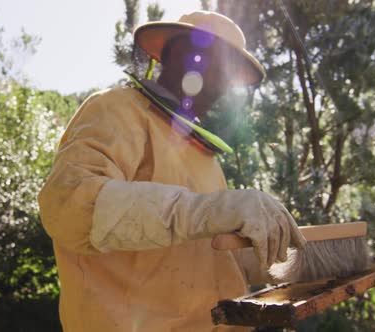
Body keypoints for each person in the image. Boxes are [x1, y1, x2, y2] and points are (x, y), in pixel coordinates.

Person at [38, 10, 306, 332]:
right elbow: (69, 207)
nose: (224, 83)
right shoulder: (115, 108)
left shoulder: (204, 153)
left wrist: (270, 255)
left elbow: (206, 255)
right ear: (180, 53)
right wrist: (204, 211)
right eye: (218, 63)